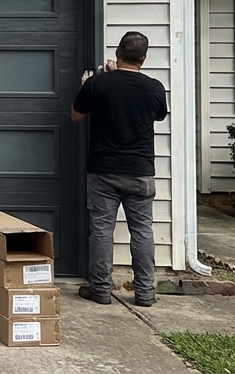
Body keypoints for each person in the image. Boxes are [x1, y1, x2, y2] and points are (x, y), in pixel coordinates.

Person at [70, 30, 168, 307]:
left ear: (117, 54)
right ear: (144, 59)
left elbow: (76, 116)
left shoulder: (98, 84)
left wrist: (88, 84)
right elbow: (159, 114)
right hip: (140, 170)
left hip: (103, 170)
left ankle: (100, 290)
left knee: (101, 230)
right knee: (143, 231)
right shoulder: (154, 87)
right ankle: (146, 293)